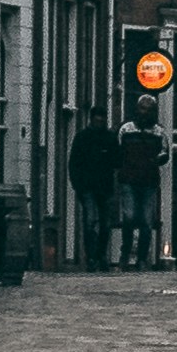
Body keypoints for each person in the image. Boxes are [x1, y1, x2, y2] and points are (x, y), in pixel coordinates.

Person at [112, 99, 167, 272]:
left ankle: (141, 258)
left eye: (149, 109)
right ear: (137, 109)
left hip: (148, 181)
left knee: (146, 221)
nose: (145, 112)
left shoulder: (159, 132)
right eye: (142, 108)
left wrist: (157, 159)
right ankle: (126, 254)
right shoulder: (126, 129)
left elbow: (165, 153)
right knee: (129, 217)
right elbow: (118, 151)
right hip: (129, 180)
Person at [63, 108, 116, 269]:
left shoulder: (110, 138)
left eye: (102, 119)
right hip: (87, 188)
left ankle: (100, 255)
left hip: (105, 188)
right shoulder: (82, 138)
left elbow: (117, 160)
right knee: (90, 221)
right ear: (91, 119)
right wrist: (78, 184)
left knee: (106, 225)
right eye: (97, 118)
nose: (100, 121)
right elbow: (74, 163)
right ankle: (92, 257)